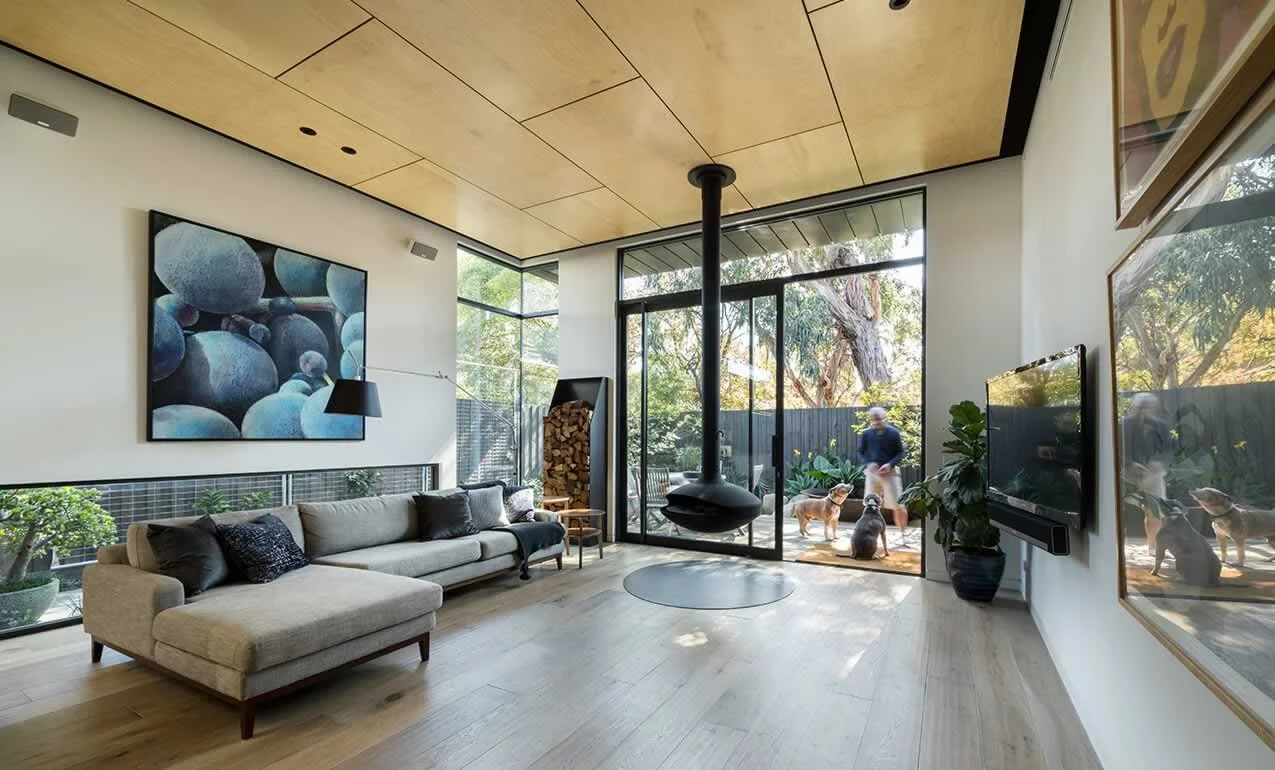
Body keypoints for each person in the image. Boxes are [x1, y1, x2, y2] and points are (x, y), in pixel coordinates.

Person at [1120, 393, 1173, 556]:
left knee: (1155, 511)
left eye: (1147, 407)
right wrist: (1129, 464)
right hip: (1125, 473)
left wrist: (1156, 464)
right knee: (1117, 510)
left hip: (1152, 473)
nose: (1143, 411)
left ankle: (1153, 547)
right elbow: (1115, 448)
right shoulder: (1122, 425)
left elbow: (1168, 451)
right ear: (1133, 408)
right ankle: (1117, 548)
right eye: (1140, 407)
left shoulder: (1161, 426)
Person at [858, 406, 909, 545]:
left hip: (890, 473)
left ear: (884, 418)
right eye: (874, 419)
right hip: (872, 474)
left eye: (878, 419)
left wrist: (890, 464)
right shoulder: (866, 434)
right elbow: (860, 452)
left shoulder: (894, 433)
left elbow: (900, 453)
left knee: (899, 505)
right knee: (869, 505)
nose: (876, 422)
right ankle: (867, 535)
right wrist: (869, 463)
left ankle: (903, 535)